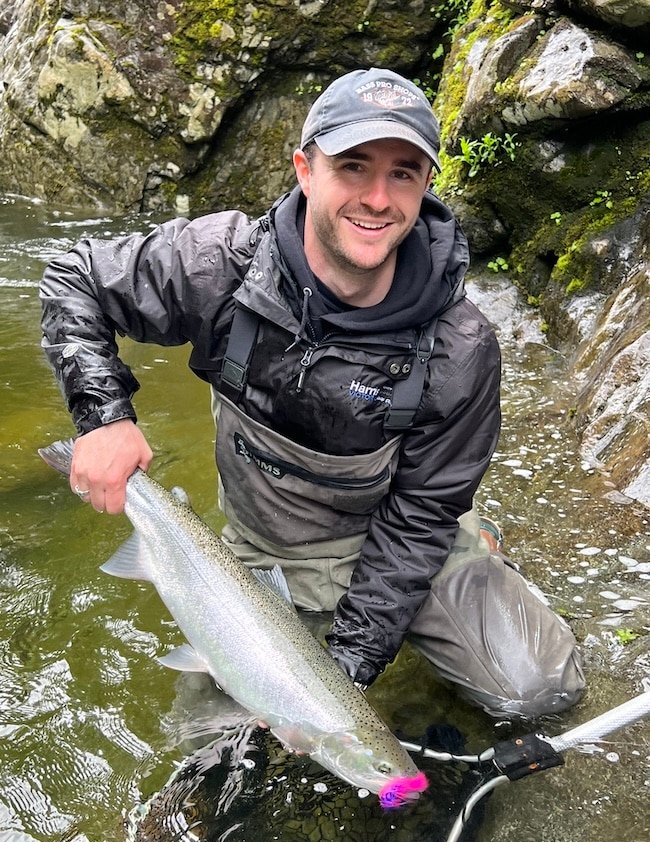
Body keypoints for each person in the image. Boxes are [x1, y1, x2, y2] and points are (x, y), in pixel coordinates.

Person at [40, 68, 585, 718]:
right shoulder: (222, 267)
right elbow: (73, 278)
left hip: (405, 539)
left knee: (541, 691)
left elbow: (418, 522)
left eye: (403, 172)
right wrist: (102, 417)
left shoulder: (461, 348)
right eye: (353, 167)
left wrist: (343, 674)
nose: (378, 197)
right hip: (262, 551)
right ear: (305, 169)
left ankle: (482, 545)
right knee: (212, 765)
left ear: (426, 186)